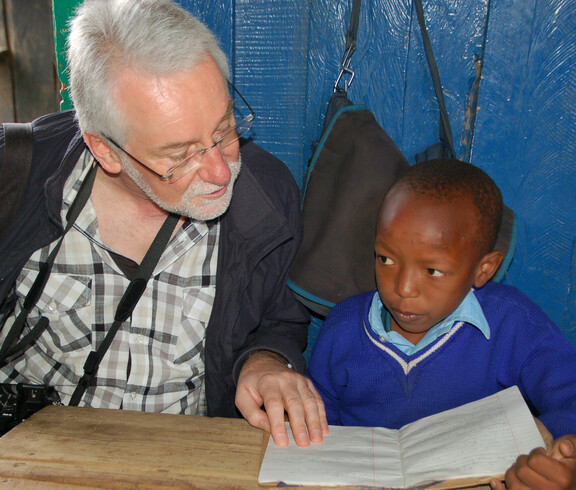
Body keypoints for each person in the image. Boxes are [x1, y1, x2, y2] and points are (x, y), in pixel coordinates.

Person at [0, 0, 327, 448]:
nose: (220, 170)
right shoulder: (12, 173)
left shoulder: (266, 196)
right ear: (106, 150)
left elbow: (278, 319)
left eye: (225, 129)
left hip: (180, 464)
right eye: (179, 155)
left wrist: (266, 362)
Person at [307, 159, 576, 488]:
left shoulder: (514, 323)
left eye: (433, 270)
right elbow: (314, 429)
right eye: (386, 259)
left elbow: (570, 396)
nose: (404, 288)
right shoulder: (343, 330)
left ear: (484, 269)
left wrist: (565, 454)